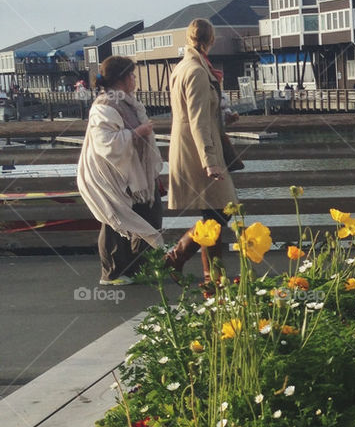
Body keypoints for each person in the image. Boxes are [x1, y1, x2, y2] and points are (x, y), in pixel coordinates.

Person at [77, 56, 164, 286]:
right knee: (115, 219)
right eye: (132, 75)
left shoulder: (127, 102)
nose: (135, 79)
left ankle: (139, 267)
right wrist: (138, 133)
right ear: (123, 78)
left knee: (146, 212)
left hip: (132, 173)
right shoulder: (105, 105)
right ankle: (112, 273)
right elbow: (106, 143)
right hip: (110, 174)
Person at [164, 17, 238, 281]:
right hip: (199, 152)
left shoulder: (185, 66)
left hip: (194, 147)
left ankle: (211, 275)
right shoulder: (196, 71)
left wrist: (221, 115)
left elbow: (197, 112)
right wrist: (209, 161)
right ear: (211, 40)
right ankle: (181, 257)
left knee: (214, 213)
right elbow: (196, 119)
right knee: (218, 211)